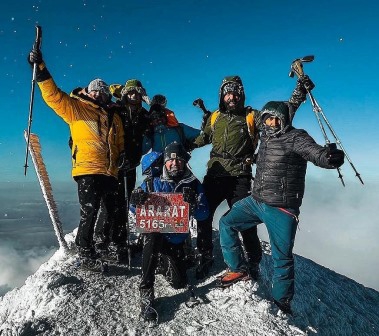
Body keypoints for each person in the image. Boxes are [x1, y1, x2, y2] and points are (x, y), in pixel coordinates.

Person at [218, 101, 345, 314]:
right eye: (269, 118)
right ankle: (238, 269)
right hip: (256, 201)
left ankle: (281, 302)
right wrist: (253, 158)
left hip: (282, 208)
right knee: (226, 223)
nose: (273, 122)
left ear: (285, 120)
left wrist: (329, 158)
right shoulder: (266, 137)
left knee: (282, 257)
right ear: (264, 119)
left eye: (278, 118)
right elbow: (270, 159)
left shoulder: (296, 137)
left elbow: (315, 153)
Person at [192, 75, 310, 279]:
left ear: (241, 94)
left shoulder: (252, 116)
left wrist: (298, 94)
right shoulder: (215, 117)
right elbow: (202, 138)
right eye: (228, 93)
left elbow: (278, 116)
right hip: (215, 175)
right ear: (222, 95)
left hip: (240, 176)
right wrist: (175, 148)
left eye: (236, 92)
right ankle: (205, 254)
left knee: (245, 222)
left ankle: (253, 260)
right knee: (204, 214)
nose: (232, 96)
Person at [28, 49, 124, 271]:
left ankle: (101, 244)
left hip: (110, 171)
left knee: (111, 210)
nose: (99, 95)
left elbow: (118, 143)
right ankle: (85, 251)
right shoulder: (77, 108)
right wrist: (41, 69)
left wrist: (122, 156)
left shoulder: (114, 117)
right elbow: (54, 97)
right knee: (89, 211)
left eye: (103, 92)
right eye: (95, 92)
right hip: (88, 168)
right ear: (88, 92)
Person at [130, 142, 209, 322]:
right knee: (151, 235)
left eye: (179, 160)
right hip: (156, 235)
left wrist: (194, 204)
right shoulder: (152, 183)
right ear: (164, 162)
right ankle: (146, 290)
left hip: (176, 239)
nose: (175, 164)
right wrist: (136, 201)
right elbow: (135, 209)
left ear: (184, 162)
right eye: (170, 160)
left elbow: (204, 214)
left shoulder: (193, 184)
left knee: (178, 282)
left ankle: (163, 259)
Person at [94, 79, 150, 263]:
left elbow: (154, 129)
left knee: (123, 204)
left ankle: (118, 241)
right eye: (130, 92)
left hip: (131, 164)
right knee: (109, 203)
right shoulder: (115, 109)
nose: (133, 96)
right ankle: (102, 241)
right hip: (113, 164)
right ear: (125, 93)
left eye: (137, 92)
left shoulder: (144, 115)